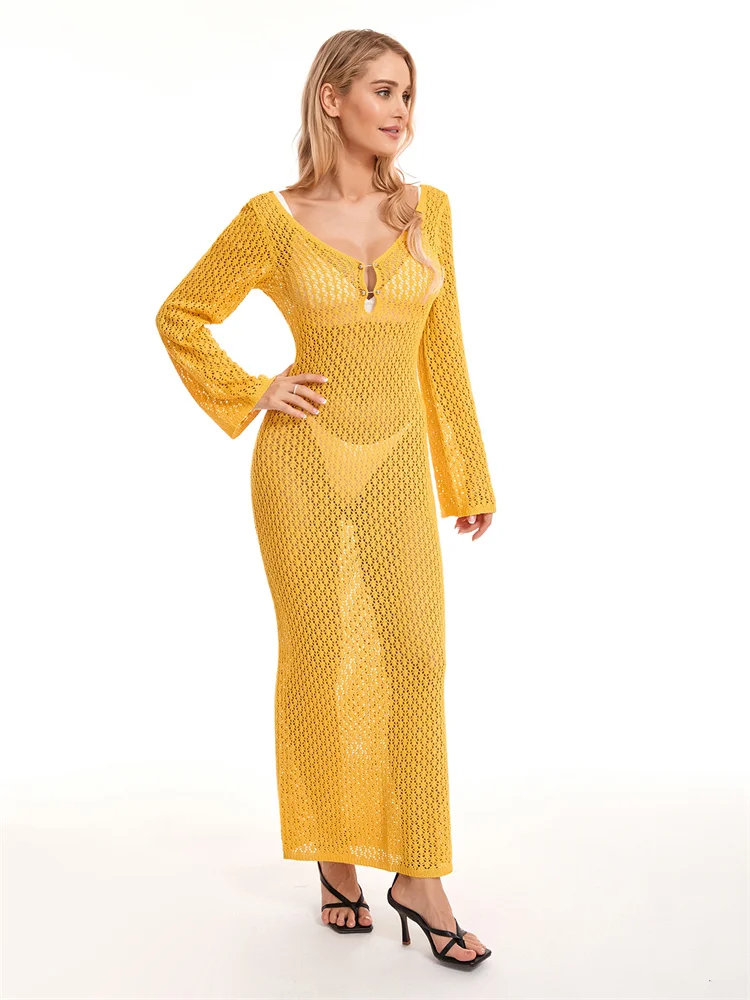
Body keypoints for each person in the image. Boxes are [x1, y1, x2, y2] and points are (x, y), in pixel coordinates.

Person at [155, 28, 495, 970]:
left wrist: (466, 474)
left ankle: (420, 876)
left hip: (396, 463)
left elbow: (444, 353)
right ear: (332, 99)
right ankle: (334, 861)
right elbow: (180, 314)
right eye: (383, 91)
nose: (401, 111)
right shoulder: (272, 221)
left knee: (417, 660)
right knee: (319, 658)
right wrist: (254, 389)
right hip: (300, 467)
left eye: (408, 95)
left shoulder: (430, 212)